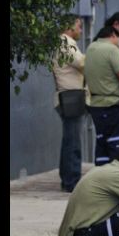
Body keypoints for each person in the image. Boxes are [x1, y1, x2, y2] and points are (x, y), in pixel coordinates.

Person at [83, 26, 119, 167]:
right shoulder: (112, 50)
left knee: (102, 146)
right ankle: (117, 181)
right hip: (112, 105)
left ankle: (101, 181)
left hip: (96, 105)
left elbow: (105, 72)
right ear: (113, 35)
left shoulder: (91, 48)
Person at [52, 15, 88, 192]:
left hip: (70, 97)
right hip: (70, 97)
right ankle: (71, 182)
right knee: (73, 142)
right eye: (79, 26)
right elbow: (82, 63)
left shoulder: (66, 43)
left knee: (70, 141)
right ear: (69, 27)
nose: (81, 30)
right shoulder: (65, 43)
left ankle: (68, 179)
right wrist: (97, 56)